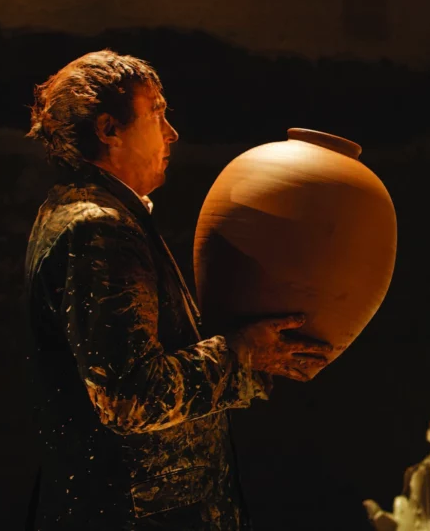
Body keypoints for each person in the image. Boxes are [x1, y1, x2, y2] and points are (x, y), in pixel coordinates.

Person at [23, 50, 332, 530]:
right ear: (109, 130)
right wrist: (243, 356)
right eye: (156, 113)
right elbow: (130, 395)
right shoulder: (97, 228)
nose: (172, 133)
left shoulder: (88, 211)